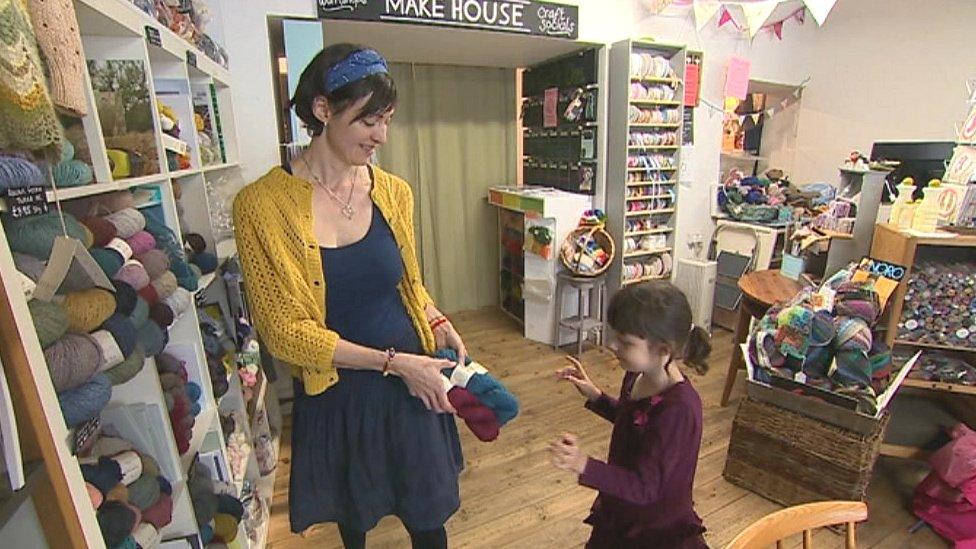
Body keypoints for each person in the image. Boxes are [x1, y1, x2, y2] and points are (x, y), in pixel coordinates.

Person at [233, 44, 466, 549]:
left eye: (387, 120)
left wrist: (435, 317)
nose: (381, 136)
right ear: (323, 110)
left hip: (412, 380)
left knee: (428, 515)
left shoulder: (393, 192)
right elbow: (284, 333)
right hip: (338, 390)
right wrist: (392, 363)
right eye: (367, 122)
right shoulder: (259, 207)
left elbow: (407, 280)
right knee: (353, 517)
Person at [550, 281, 711, 548]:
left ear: (663, 350)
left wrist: (584, 464)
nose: (613, 345)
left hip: (652, 529)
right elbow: (633, 423)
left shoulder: (679, 410)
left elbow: (646, 487)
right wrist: (596, 396)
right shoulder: (636, 374)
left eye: (625, 342)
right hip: (624, 509)